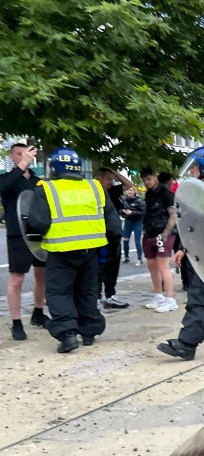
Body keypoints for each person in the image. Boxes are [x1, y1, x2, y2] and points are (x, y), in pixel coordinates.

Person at [25, 148, 121, 353]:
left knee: (59, 293)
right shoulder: (95, 187)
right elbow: (112, 225)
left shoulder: (46, 189)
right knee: (87, 291)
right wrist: (111, 249)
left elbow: (38, 223)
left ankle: (67, 334)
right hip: (90, 252)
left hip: (61, 252)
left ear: (54, 168)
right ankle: (89, 332)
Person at [157, 147, 204, 361]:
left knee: (200, 299)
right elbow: (193, 226)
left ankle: (187, 344)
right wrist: (183, 249)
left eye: (194, 168)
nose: (192, 173)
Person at [1, 142, 49, 339]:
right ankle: (16, 321)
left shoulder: (38, 181)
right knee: (17, 279)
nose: (24, 158)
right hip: (17, 234)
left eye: (27, 154)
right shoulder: (7, 178)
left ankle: (38, 313)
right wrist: (21, 166)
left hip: (38, 233)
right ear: (12, 157)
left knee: (42, 274)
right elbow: (4, 188)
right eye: (19, 154)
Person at [94, 167, 135, 309]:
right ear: (99, 178)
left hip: (114, 236)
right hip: (101, 237)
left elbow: (129, 185)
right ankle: (97, 296)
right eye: (108, 178)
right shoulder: (93, 192)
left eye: (112, 179)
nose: (111, 182)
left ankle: (110, 295)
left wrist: (115, 173)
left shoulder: (112, 191)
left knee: (113, 267)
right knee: (100, 266)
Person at [142, 169, 178, 311]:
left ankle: (170, 298)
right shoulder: (149, 194)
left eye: (148, 179)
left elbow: (173, 214)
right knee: (152, 264)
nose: (146, 183)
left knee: (163, 266)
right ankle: (159, 295)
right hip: (150, 232)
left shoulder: (166, 193)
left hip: (163, 232)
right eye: (144, 180)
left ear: (155, 177)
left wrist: (165, 234)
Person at [120, 185, 145, 264]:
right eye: (127, 190)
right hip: (128, 222)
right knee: (125, 240)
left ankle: (139, 258)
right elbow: (120, 210)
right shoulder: (124, 200)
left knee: (137, 241)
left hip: (137, 222)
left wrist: (132, 212)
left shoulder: (139, 200)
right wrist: (123, 212)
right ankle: (126, 257)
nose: (129, 192)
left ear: (134, 191)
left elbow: (143, 212)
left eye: (131, 190)